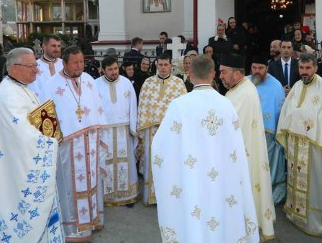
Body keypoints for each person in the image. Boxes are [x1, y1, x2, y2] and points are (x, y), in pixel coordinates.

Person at [151, 55, 259, 242]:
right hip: (221, 182)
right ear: (214, 74)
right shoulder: (227, 105)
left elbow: (160, 148)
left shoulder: (179, 105)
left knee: (195, 219)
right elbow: (236, 150)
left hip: (192, 179)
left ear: (190, 74)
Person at [0, 48, 64, 242]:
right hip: (13, 172)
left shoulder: (21, 88)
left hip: (17, 165)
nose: (36, 70)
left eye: (35, 65)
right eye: (31, 66)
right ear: (14, 68)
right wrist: (50, 142)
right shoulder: (9, 96)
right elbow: (23, 137)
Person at [277, 53, 322, 236]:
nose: (304, 72)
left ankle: (317, 221)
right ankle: (296, 214)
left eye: (308, 68)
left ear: (315, 68)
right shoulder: (296, 86)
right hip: (296, 144)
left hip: (316, 146)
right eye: (301, 68)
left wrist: (300, 118)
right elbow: (287, 110)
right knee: (295, 179)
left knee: (315, 182)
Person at [39, 46, 108, 241]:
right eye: (75, 62)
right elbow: (46, 117)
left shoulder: (88, 80)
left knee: (92, 180)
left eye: (82, 62)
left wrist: (98, 130)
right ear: (64, 62)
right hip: (67, 146)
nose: (80, 66)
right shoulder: (51, 84)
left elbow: (97, 106)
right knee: (69, 185)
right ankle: (73, 229)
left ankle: (92, 220)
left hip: (91, 142)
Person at [219, 53, 275, 240]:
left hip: (243, 156)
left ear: (237, 74)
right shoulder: (240, 89)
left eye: (224, 72)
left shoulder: (243, 94)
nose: (221, 76)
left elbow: (229, 129)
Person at [137, 52, 187, 205]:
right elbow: (142, 105)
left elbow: (183, 108)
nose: (163, 68)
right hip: (151, 131)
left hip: (171, 132)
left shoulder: (179, 84)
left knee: (170, 164)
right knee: (153, 163)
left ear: (171, 66)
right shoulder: (148, 83)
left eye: (166, 65)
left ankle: (170, 198)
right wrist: (146, 126)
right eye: (160, 65)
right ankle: (152, 197)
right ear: (156, 65)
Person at [95, 56, 140, 206]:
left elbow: (133, 105)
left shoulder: (126, 83)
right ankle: (107, 197)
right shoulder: (95, 85)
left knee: (125, 161)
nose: (114, 72)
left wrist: (134, 128)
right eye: (110, 69)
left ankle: (127, 195)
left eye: (115, 68)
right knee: (106, 161)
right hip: (105, 131)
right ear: (103, 70)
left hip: (123, 130)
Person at [248, 54, 286, 205]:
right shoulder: (245, 82)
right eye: (254, 68)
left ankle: (269, 196)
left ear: (267, 68)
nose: (257, 71)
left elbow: (280, 110)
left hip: (268, 134)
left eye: (261, 68)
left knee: (268, 165)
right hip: (248, 133)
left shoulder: (275, 85)